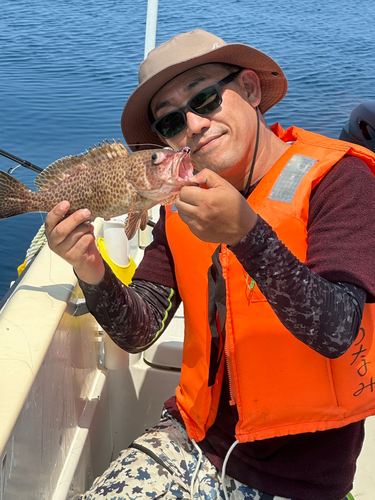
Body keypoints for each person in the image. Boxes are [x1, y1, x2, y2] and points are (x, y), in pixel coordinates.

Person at [45, 30, 375, 500]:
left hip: (301, 482)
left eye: (205, 98)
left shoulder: (341, 183)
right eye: (172, 122)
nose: (194, 125)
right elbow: (140, 330)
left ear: (250, 89)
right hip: (189, 440)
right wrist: (90, 268)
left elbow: (338, 332)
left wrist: (246, 235)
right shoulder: (179, 204)